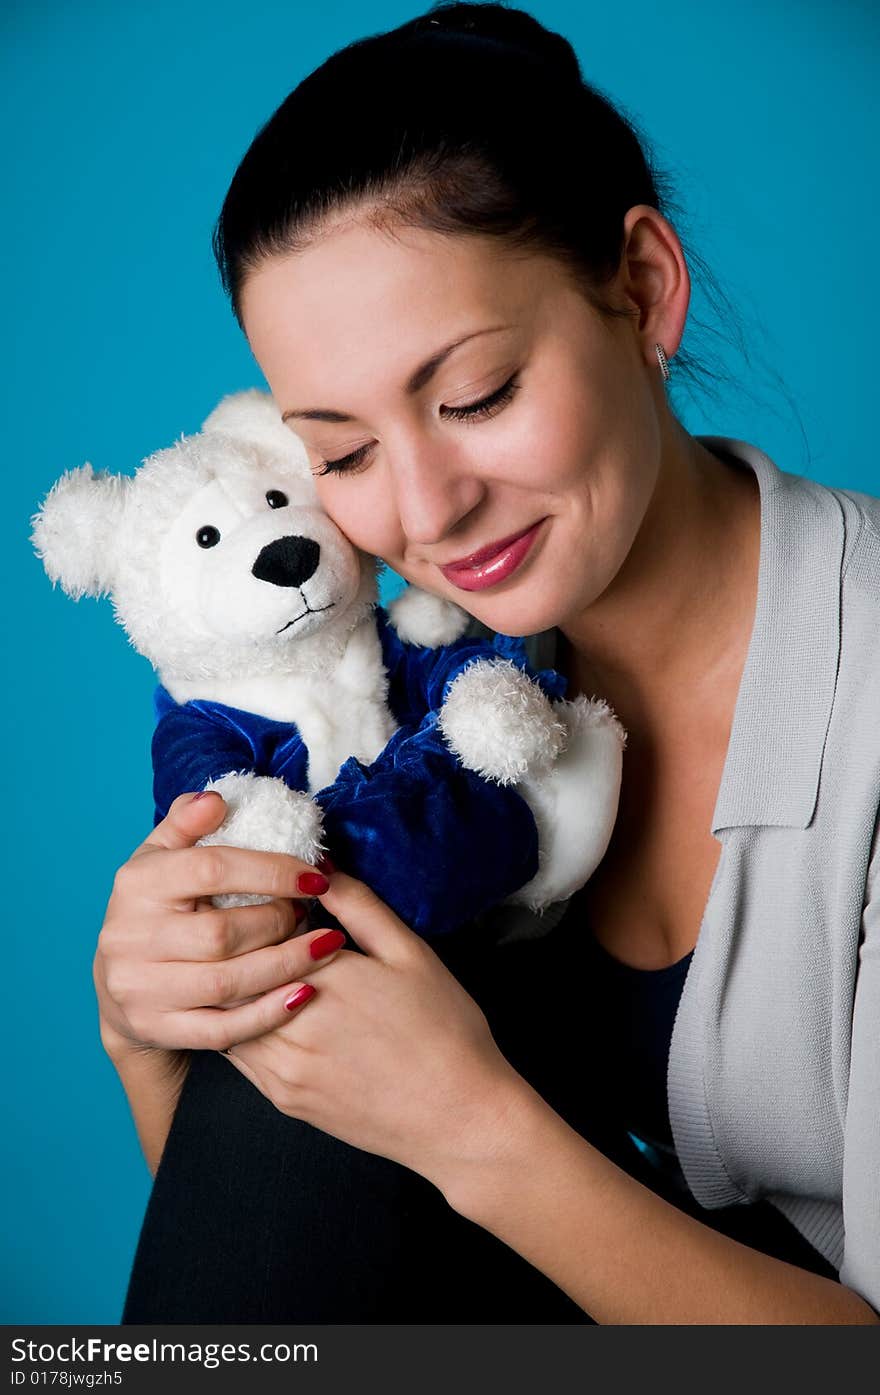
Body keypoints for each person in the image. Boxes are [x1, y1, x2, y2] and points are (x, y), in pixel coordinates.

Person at [98, 3, 879, 1323]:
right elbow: (293, 1282)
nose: (424, 511)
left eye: (474, 397)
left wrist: (470, 1123)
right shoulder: (408, 699)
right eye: (340, 454)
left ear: (641, 291)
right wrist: (157, 1031)